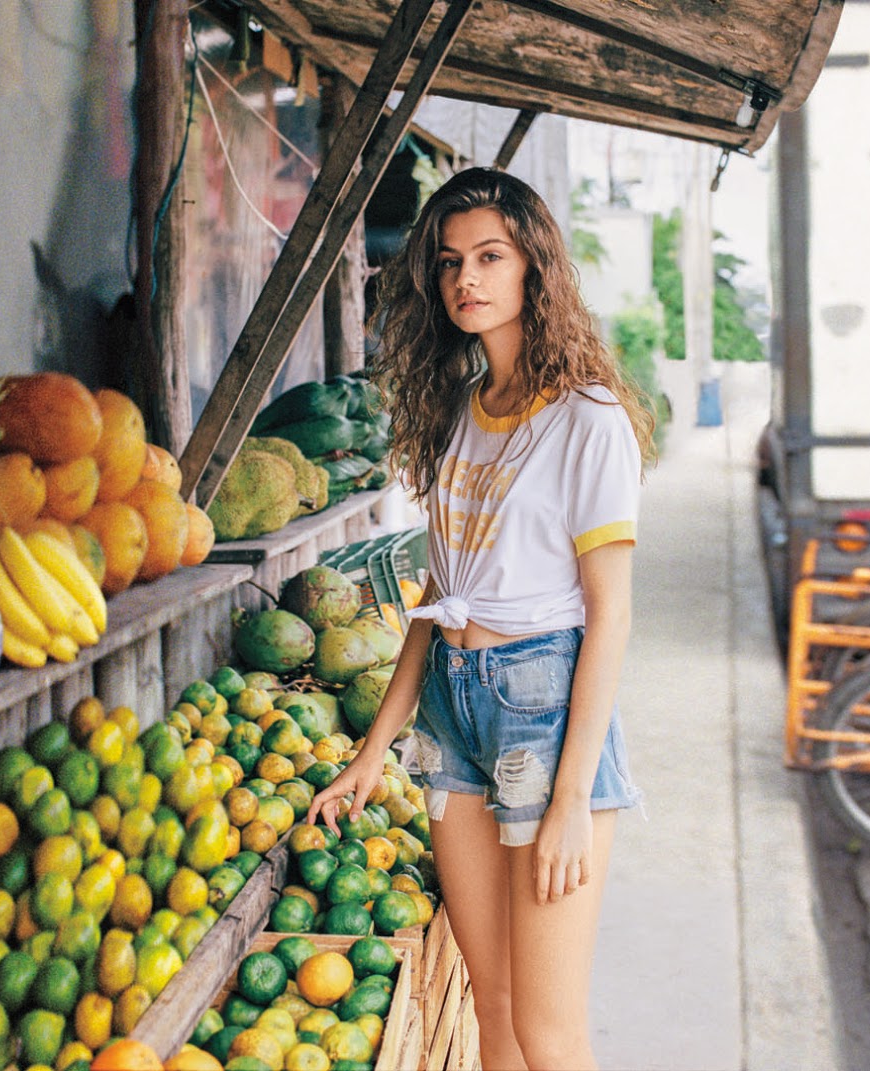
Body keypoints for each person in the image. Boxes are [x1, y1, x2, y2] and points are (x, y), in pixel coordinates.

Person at [306, 166, 654, 1070]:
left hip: (542, 708)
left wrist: (573, 796)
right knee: (492, 1007)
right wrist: (371, 752)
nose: (469, 277)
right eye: (453, 260)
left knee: (548, 1028)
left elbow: (611, 614)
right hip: (452, 714)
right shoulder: (466, 412)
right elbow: (437, 598)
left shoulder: (589, 417)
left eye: (492, 256)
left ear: (536, 267)